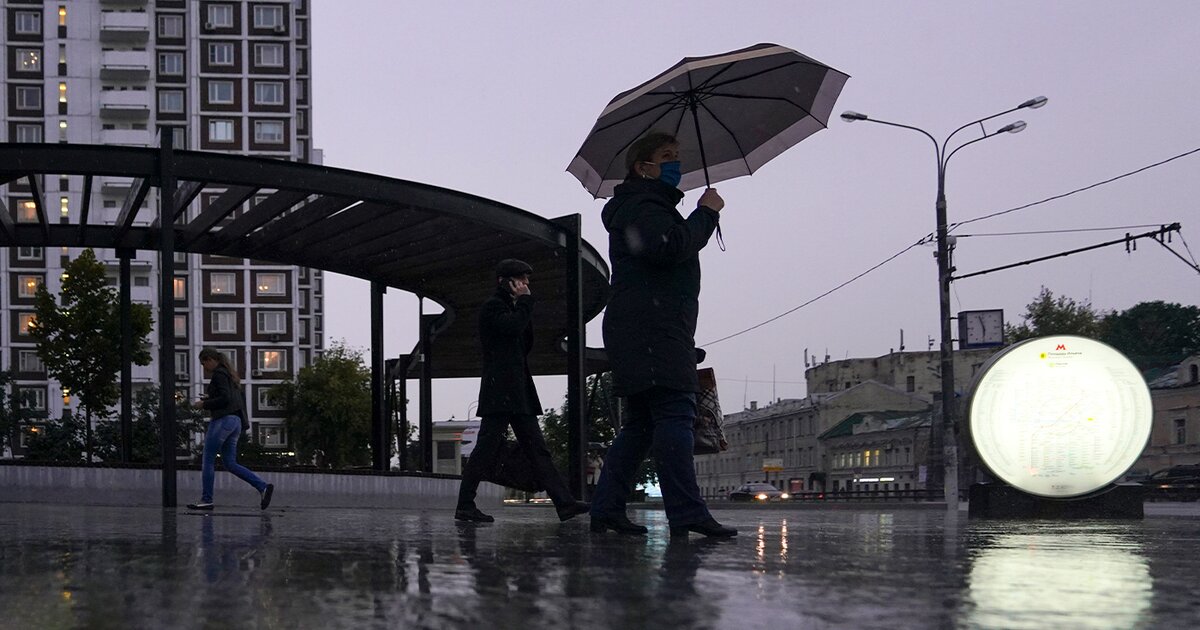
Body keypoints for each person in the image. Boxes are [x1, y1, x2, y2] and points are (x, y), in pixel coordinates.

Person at [589, 132, 737, 538]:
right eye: (667, 157)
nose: (677, 164)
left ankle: (606, 509)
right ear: (643, 167)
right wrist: (706, 213)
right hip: (653, 327)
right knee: (675, 415)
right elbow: (668, 248)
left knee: (639, 427)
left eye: (678, 156)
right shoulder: (643, 204)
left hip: (645, 326)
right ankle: (687, 512)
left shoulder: (641, 204)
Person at [454, 259, 591, 523]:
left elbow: (524, 343)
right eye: (522, 280)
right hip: (501, 391)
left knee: (537, 449)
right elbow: (513, 329)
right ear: (505, 281)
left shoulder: (512, 308)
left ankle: (564, 503)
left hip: (516, 392)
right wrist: (525, 303)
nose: (527, 285)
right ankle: (465, 505)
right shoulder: (493, 307)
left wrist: (522, 306)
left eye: (527, 280)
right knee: (486, 449)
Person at [187, 348, 274, 511]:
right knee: (230, 463)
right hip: (236, 422)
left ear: (210, 359)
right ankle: (263, 487)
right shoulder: (230, 375)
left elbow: (225, 399)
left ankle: (207, 499)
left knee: (208, 459)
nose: (203, 367)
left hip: (223, 420)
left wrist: (204, 404)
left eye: (203, 363)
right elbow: (230, 398)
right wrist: (210, 398)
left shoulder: (219, 374)